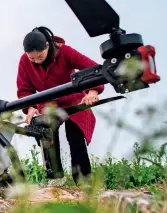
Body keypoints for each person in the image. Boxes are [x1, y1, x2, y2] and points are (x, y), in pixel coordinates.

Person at [16, 26, 104, 187]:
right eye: (32, 58)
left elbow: (94, 69)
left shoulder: (66, 52)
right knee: (45, 129)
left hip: (73, 100)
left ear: (48, 46)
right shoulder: (24, 61)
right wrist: (30, 107)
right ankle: (55, 177)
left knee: (74, 131)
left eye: (39, 56)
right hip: (48, 104)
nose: (36, 61)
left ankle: (84, 180)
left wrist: (92, 91)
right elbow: (24, 89)